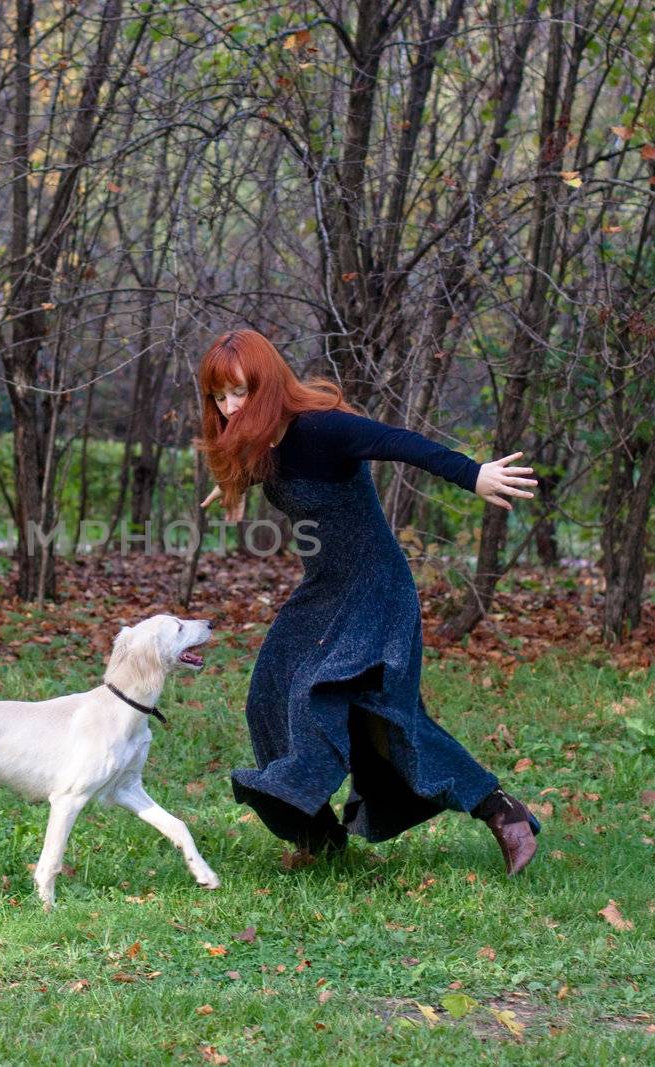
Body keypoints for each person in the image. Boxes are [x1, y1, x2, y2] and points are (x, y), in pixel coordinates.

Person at [195, 329, 541, 875]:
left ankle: (502, 812)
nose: (230, 407)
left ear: (265, 384)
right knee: (268, 695)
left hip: (376, 588)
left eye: (239, 392)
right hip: (324, 591)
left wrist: (472, 473)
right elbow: (247, 465)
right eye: (219, 397)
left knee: (372, 713)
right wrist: (231, 481)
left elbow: (401, 443)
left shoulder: (323, 429)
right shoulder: (260, 440)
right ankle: (320, 838)